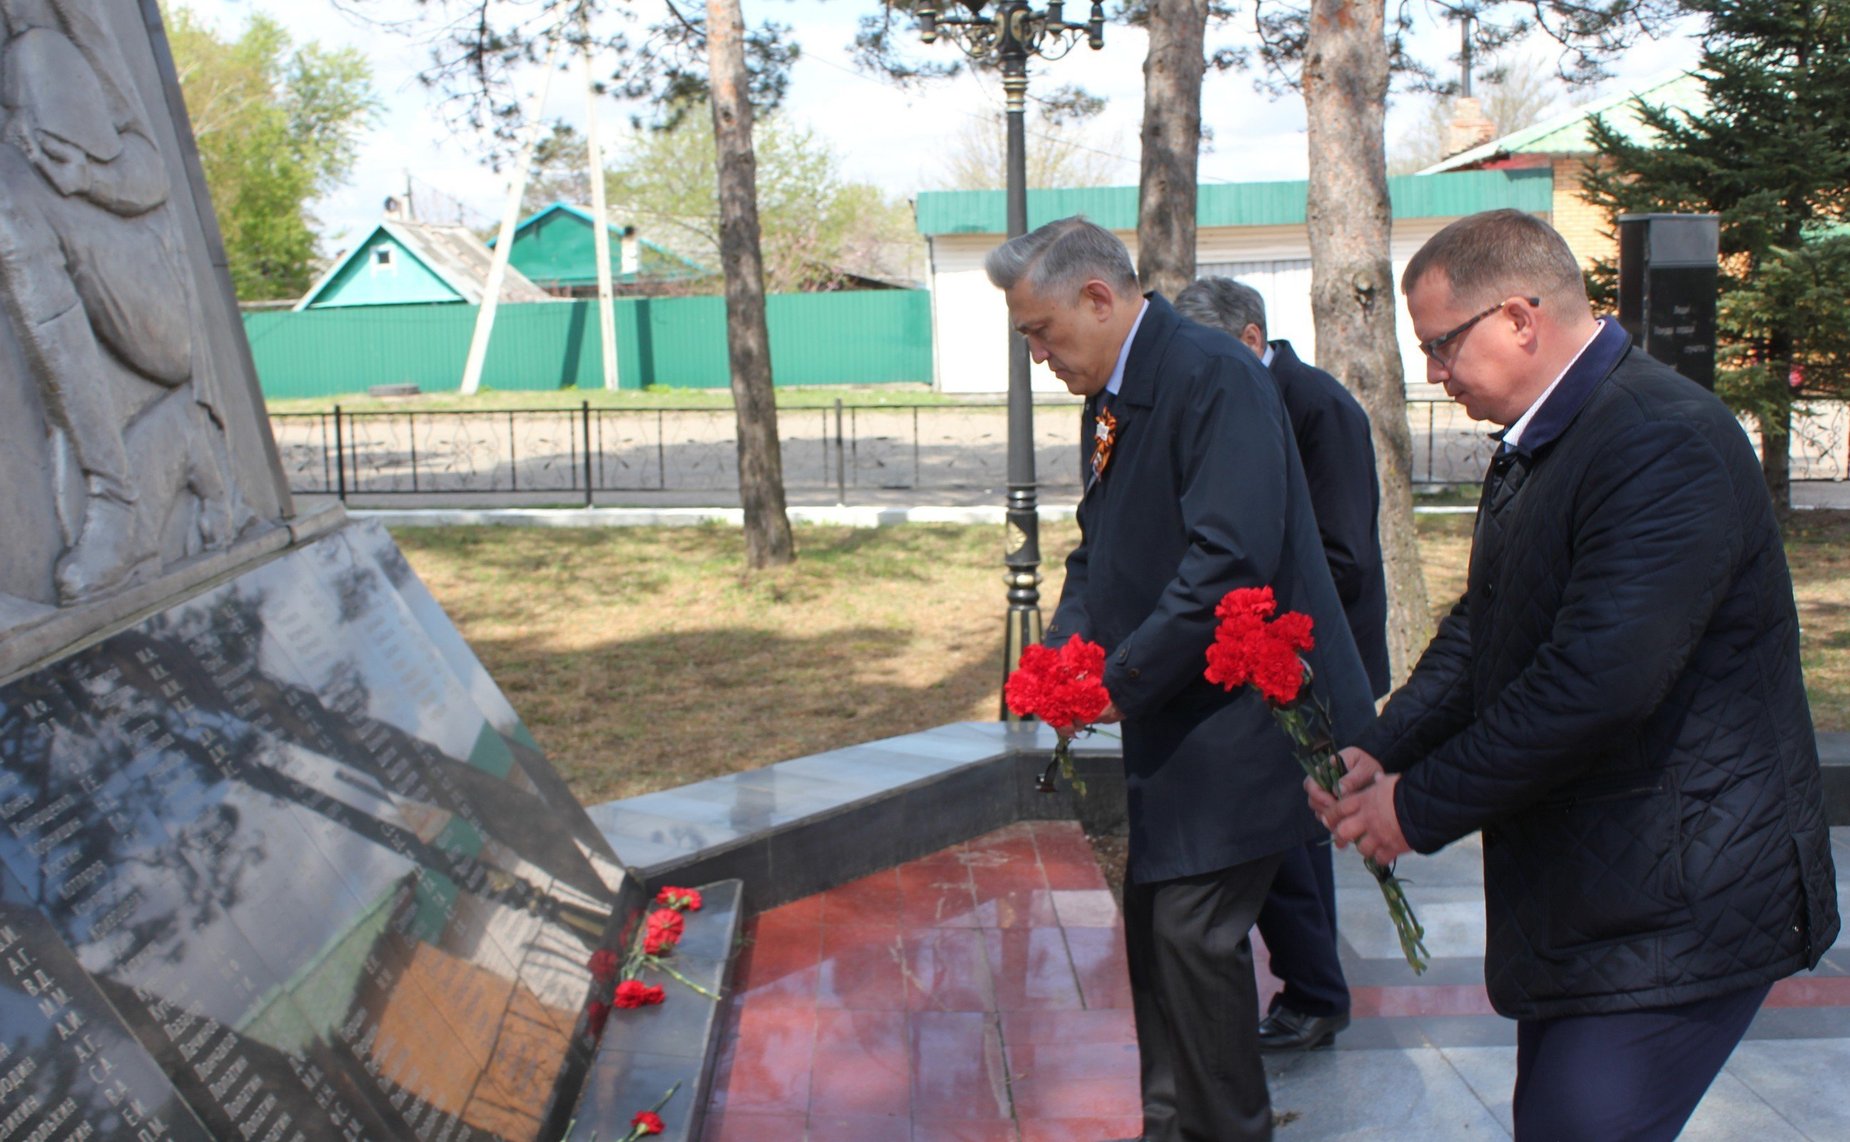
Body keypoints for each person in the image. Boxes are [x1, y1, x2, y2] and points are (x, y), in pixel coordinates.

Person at [1314, 208, 1840, 1140]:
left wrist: (1417, 805)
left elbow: (1597, 681)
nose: (1432, 373)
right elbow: (1486, 627)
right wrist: (1381, 746)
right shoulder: (1549, 437)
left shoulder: (1659, 437)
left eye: (1441, 345)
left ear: (1520, 318)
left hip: (1684, 900)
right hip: (1603, 899)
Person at [987, 216, 1374, 1142]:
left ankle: (1227, 1129)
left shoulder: (1213, 375)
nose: (1038, 356)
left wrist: (1118, 679)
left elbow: (1228, 563)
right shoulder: (1113, 395)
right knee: (1160, 929)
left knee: (1194, 935)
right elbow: (1103, 551)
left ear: (1098, 296)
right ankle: (1171, 1123)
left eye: (1041, 332)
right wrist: (1063, 657)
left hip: (1251, 712)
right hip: (1185, 719)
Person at [1174, 277, 1389, 1053]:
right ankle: (1314, 987)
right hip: (1267, 656)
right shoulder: (1239, 399)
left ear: (1253, 337)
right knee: (1290, 830)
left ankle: (1316, 990)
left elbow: (1344, 554)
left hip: (1312, 657)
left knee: (1293, 832)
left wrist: (1267, 623)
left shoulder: (1317, 406)